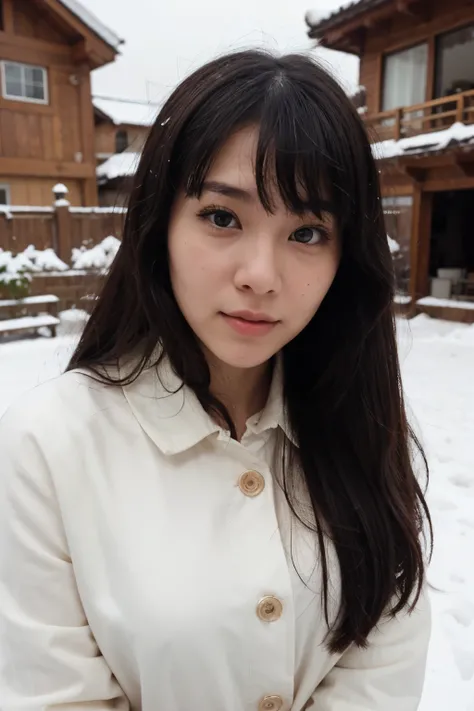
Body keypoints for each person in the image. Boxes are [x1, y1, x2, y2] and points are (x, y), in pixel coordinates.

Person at [0, 50, 432, 711]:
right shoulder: (48, 446)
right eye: (223, 217)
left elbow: (382, 669)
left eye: (308, 231)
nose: (261, 273)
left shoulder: (370, 429)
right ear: (159, 224)